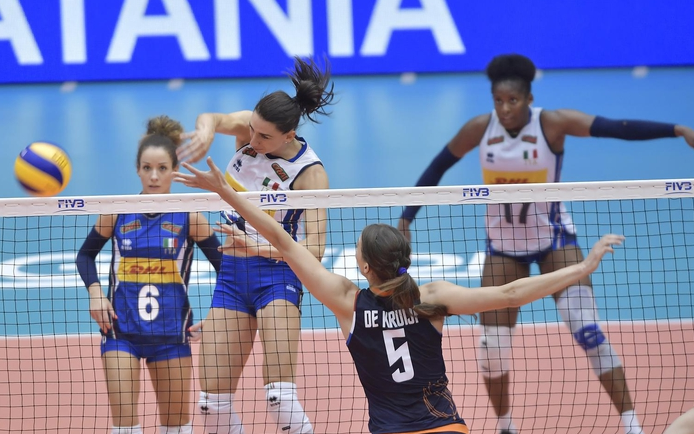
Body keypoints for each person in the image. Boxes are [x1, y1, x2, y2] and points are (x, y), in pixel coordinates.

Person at [172, 156, 625, 434]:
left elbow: (283, 241)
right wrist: (581, 268)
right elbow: (510, 294)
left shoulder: (348, 302)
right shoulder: (433, 297)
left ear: (365, 267)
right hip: (447, 428)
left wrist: (224, 193)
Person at [397, 53, 694, 434]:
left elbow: (614, 127)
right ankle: (506, 426)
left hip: (554, 243)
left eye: (513, 100)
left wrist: (677, 129)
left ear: (529, 98)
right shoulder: (479, 129)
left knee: (588, 332)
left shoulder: (552, 124)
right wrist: (407, 217)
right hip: (503, 249)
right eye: (498, 101)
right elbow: (437, 168)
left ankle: (632, 425)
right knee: (492, 349)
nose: (505, 109)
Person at [175, 57, 334, 434]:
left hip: (277, 278)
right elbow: (213, 117)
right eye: (251, 130)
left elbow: (314, 250)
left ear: (289, 134)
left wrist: (258, 247)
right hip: (232, 277)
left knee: (280, 399)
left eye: (264, 137)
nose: (253, 141)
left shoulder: (310, 173)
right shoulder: (250, 129)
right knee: (210, 404)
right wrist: (205, 132)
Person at [75, 116, 223, 434]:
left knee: (176, 427)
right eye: (147, 168)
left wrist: (218, 314)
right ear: (137, 170)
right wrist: (95, 293)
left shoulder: (190, 217)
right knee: (125, 428)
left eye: (162, 168)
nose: (154, 176)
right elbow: (85, 256)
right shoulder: (116, 211)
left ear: (175, 170)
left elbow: (229, 268)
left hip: (171, 337)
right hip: (120, 333)